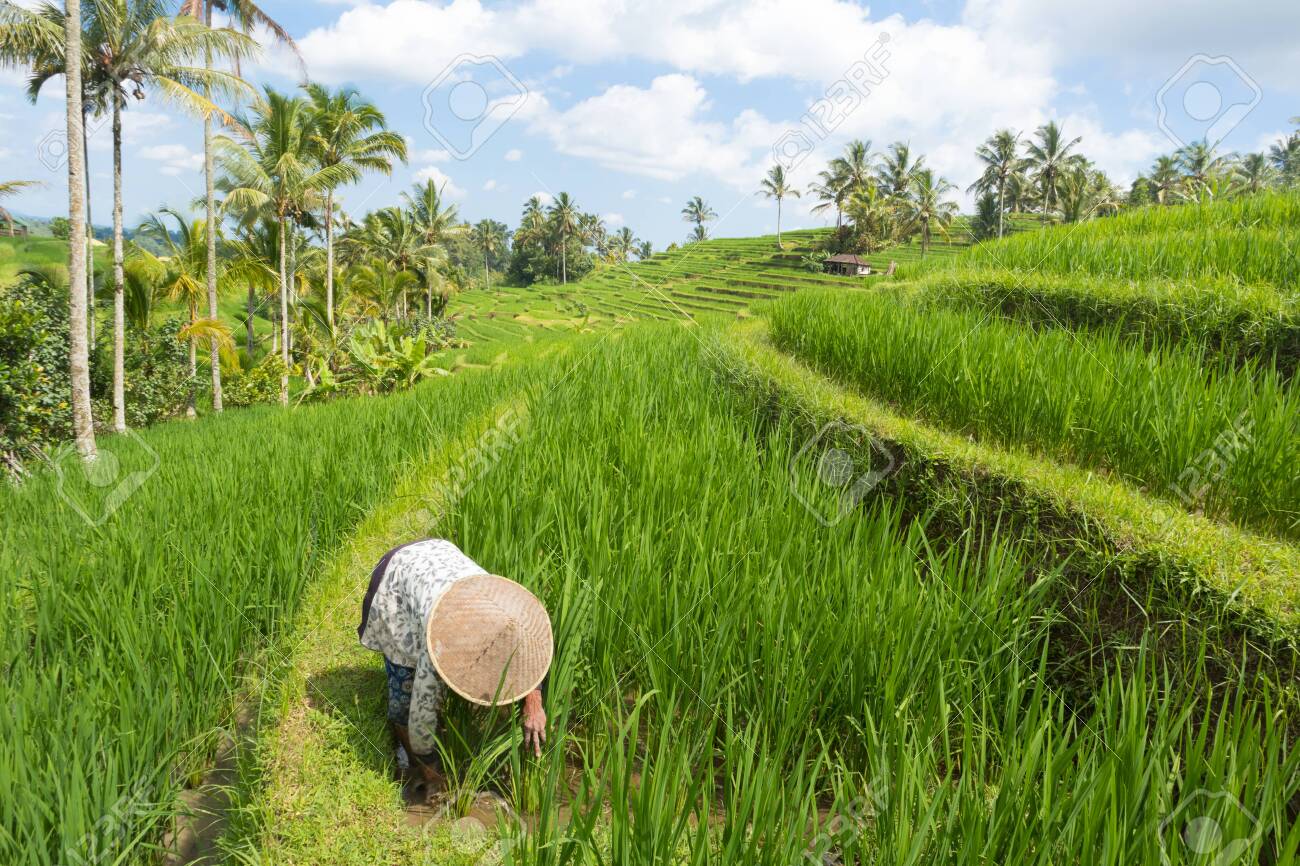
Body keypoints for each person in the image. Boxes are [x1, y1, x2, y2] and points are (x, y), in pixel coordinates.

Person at [358, 539, 552, 783]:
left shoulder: (510, 617)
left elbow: (535, 652)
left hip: (440, 555)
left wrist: (533, 702)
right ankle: (413, 765)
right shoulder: (439, 644)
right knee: (404, 695)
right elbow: (420, 716)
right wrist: (433, 775)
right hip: (397, 578)